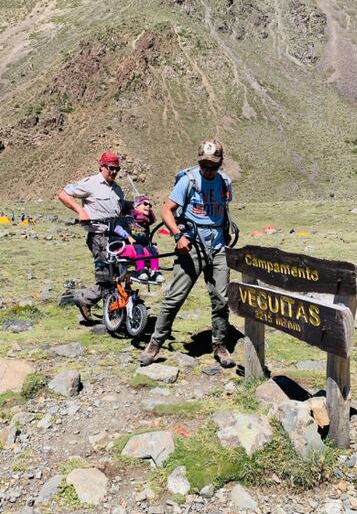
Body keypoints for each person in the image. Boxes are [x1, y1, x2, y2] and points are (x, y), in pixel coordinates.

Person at [140, 138, 236, 369]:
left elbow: (223, 209)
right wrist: (177, 236)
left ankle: (219, 345)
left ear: (220, 163)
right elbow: (166, 210)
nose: (208, 170)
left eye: (213, 166)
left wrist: (225, 232)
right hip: (191, 245)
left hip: (218, 246)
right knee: (175, 297)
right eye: (204, 165)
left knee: (221, 299)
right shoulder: (188, 181)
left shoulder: (225, 182)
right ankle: (155, 343)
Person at [57, 152, 126, 321]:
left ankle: (111, 311)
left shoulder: (117, 190)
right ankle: (86, 300)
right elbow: (63, 194)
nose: (114, 172)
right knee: (106, 276)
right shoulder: (91, 184)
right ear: (102, 167)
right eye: (111, 168)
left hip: (115, 236)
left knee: (118, 274)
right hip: (98, 235)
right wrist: (81, 211)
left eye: (117, 169)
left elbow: (120, 210)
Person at [114, 196, 164, 284]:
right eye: (145, 204)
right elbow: (117, 229)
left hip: (141, 245)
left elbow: (145, 233)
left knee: (152, 249)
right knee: (139, 248)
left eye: (150, 205)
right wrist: (128, 237)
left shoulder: (144, 223)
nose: (148, 206)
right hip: (127, 245)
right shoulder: (126, 219)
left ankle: (155, 271)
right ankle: (140, 270)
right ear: (136, 207)